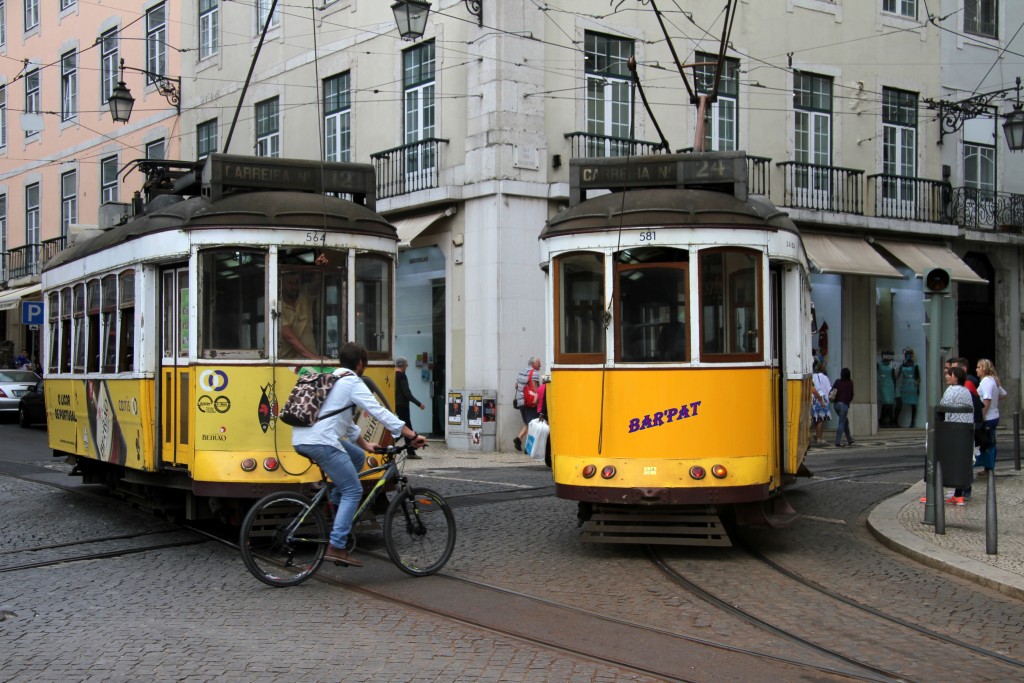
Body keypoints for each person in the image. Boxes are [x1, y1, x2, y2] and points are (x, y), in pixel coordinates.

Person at [291, 342, 427, 567]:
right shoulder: (352, 381)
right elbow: (378, 410)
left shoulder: (332, 378)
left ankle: (335, 500)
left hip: (304, 438)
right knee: (353, 490)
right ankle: (336, 546)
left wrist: (365, 444)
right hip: (321, 442)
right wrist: (410, 434)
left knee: (356, 457)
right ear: (361, 363)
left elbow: (342, 420)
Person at [939, 366, 974, 505]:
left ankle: (946, 491)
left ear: (956, 377)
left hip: (952, 429)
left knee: (949, 460)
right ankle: (960, 493)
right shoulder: (966, 391)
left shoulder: (951, 390)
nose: (946, 376)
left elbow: (942, 407)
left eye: (949, 374)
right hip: (965, 430)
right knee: (963, 460)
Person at [279, 270, 320, 360]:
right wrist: (313, 357)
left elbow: (316, 284)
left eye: (297, 283)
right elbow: (289, 336)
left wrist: (320, 269)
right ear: (282, 284)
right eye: (290, 283)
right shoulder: (277, 306)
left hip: (310, 362)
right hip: (286, 363)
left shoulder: (305, 295)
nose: (294, 287)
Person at [975, 358, 1007, 473]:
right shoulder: (993, 380)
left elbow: (987, 399)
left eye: (979, 367)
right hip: (994, 415)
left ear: (984, 369)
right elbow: (1003, 394)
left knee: (986, 442)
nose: (976, 370)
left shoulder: (986, 381)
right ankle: (988, 467)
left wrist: (982, 414)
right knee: (990, 440)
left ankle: (988, 467)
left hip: (988, 417)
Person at [394, 356, 425, 459]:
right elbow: (407, 393)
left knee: (404, 428)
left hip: (396, 405)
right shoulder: (402, 376)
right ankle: (388, 445)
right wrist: (419, 404)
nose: (407, 367)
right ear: (403, 365)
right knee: (406, 429)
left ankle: (411, 452)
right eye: (406, 365)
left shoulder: (392, 375)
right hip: (403, 406)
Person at [514, 356, 541, 452]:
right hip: (529, 402)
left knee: (527, 422)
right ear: (533, 364)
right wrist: (537, 400)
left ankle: (518, 438)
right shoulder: (535, 373)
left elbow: (516, 385)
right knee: (532, 423)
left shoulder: (521, 371)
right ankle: (528, 448)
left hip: (521, 401)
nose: (540, 365)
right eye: (539, 363)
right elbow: (534, 388)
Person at [894, 348, 919, 428]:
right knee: (900, 403)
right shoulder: (902, 365)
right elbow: (898, 376)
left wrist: (917, 388)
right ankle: (895, 420)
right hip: (904, 386)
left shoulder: (915, 366)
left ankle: (912, 422)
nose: (907, 356)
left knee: (913, 405)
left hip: (912, 386)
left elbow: (917, 378)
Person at [810, 361, 832, 444]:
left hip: (814, 399)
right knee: (821, 419)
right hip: (821, 398)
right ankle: (819, 437)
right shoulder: (825, 378)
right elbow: (829, 389)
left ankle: (816, 434)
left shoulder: (813, 376)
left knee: (816, 418)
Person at [832, 367, 854, 447]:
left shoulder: (837, 382)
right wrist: (848, 401)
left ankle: (849, 439)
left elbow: (832, 391)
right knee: (841, 423)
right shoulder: (850, 383)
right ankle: (837, 441)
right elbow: (851, 395)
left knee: (845, 421)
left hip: (836, 405)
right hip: (844, 405)